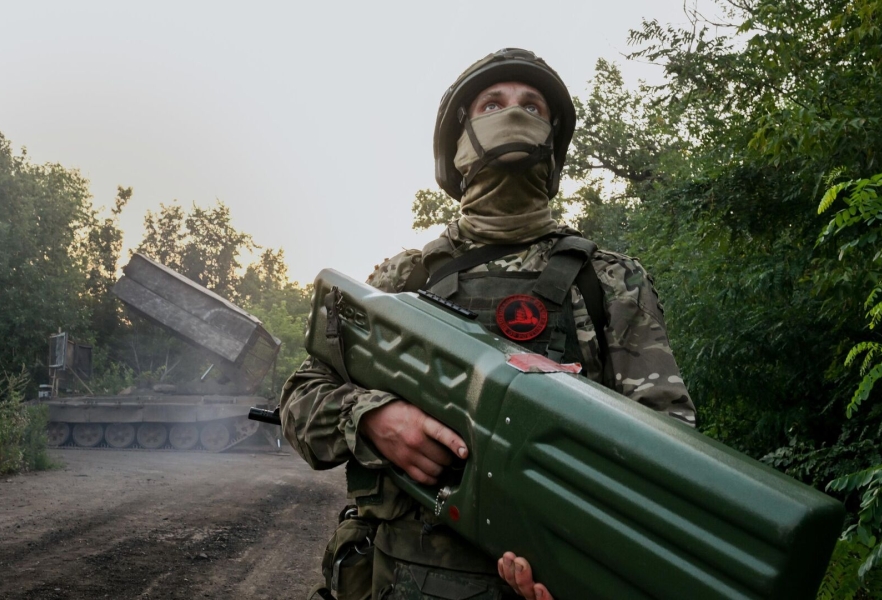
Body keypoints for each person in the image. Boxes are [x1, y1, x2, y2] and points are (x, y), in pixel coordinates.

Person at [280, 48, 697, 600]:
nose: (514, 113)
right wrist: (374, 418)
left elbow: (671, 458)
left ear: (553, 142)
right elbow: (300, 400)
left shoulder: (609, 281)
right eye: (491, 104)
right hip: (402, 578)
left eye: (533, 106)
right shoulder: (404, 278)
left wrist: (582, 559)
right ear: (457, 144)